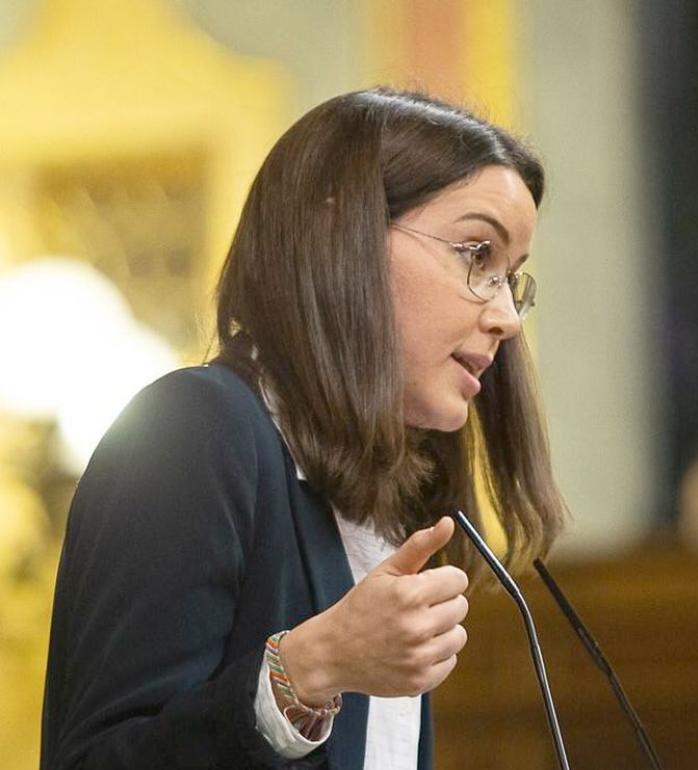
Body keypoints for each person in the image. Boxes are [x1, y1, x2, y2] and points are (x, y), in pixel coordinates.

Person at [41, 87, 568, 770]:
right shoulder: (193, 431)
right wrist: (307, 672)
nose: (508, 318)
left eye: (512, 278)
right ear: (339, 232)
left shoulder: (396, 497)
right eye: (477, 255)